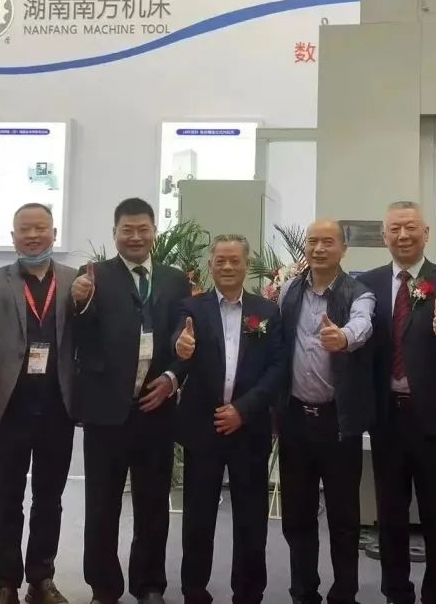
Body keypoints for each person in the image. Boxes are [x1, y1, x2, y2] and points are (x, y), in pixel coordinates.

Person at [71, 197, 191, 604]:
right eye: (127, 230)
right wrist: (80, 302)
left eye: (143, 229)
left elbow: (185, 337)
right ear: (115, 233)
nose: (135, 237)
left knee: (153, 504)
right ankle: (103, 586)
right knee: (101, 505)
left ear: (154, 232)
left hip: (156, 409)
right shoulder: (94, 277)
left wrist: (173, 378)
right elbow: (79, 338)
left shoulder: (175, 280)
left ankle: (149, 584)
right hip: (106, 411)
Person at [357, 201, 436, 604]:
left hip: (434, 420)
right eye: (394, 229)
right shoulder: (367, 282)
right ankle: (396, 592)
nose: (402, 235)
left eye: (410, 228)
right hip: (387, 418)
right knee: (390, 513)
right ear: (384, 236)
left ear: (426, 233)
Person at [168, 234, 286, 604]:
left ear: (247, 264)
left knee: (251, 519)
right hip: (203, 428)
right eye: (220, 260)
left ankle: (248, 592)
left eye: (235, 260)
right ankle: (194, 590)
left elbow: (278, 368)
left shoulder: (267, 312)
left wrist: (243, 409)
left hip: (248, 428)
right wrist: (180, 346)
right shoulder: (192, 307)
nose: (228, 266)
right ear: (211, 265)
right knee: (198, 517)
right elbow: (180, 341)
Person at [0, 203, 77, 604]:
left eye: (40, 228)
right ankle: (6, 582)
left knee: (49, 499)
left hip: (57, 407)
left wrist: (86, 303)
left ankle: (41, 578)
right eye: (24, 229)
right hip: (9, 408)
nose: (33, 235)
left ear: (54, 233)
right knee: (7, 499)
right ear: (13, 236)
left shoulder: (75, 280)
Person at [276, 219, 375, 604]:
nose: (319, 249)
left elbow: (363, 323)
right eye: (313, 241)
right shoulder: (289, 291)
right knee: (297, 516)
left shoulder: (358, 292)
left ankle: (344, 593)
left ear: (343, 249)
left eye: (328, 242)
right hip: (295, 420)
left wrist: (344, 337)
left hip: (338, 423)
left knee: (344, 518)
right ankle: (303, 591)